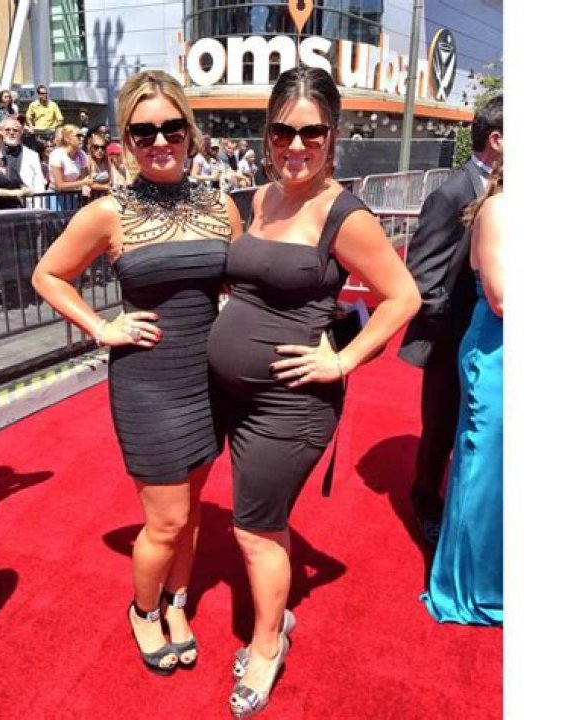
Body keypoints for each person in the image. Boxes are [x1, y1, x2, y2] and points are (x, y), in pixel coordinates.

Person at [206, 66, 420, 717]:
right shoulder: (260, 200)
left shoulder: (343, 215)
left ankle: (266, 644)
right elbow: (244, 276)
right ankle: (277, 616)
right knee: (264, 522)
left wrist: (343, 358)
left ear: (334, 135)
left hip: (291, 404)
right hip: (234, 398)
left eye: (311, 133)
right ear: (267, 133)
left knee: (253, 528)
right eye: (282, 132)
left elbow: (402, 296)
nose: (295, 146)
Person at [32, 69, 243, 676]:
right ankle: (143, 610)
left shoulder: (220, 205)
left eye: (171, 127)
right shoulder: (109, 212)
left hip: (209, 378)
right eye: (143, 130)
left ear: (190, 132)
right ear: (125, 139)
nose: (159, 140)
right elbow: (48, 275)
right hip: (149, 383)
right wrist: (101, 328)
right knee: (167, 518)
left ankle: (177, 603)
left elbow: (242, 279)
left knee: (194, 507)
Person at [398, 96, 503, 546]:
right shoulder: (452, 193)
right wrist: (449, 331)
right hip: (454, 336)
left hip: (489, 334)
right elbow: (421, 275)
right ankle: (425, 501)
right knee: (440, 427)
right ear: (497, 140)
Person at [421, 157, 503, 626]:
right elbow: (426, 269)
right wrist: (435, 327)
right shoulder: (486, 205)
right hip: (485, 345)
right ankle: (471, 579)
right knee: (474, 458)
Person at [0, 117, 46, 193]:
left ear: (21, 132)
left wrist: (39, 200)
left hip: (26, 199)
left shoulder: (32, 155)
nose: (11, 132)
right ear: (1, 131)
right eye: (7, 130)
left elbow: (39, 183)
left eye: (15, 130)